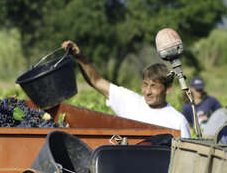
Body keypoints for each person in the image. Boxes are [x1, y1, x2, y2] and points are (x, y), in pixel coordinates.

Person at [61, 40, 191, 138]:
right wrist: (80, 58)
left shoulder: (177, 121)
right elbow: (97, 81)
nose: (147, 92)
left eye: (154, 86)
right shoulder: (131, 102)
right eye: (145, 84)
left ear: (168, 89)